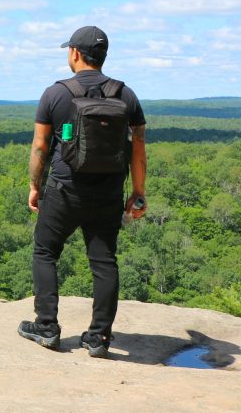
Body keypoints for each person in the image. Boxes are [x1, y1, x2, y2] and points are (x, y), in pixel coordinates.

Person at [17, 25, 147, 358]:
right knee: (104, 262)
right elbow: (138, 148)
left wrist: (35, 185)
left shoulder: (56, 94)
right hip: (107, 193)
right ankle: (98, 337)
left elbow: (40, 146)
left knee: (45, 252)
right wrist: (138, 192)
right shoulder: (126, 95)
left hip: (64, 190)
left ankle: (47, 328)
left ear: (75, 53)